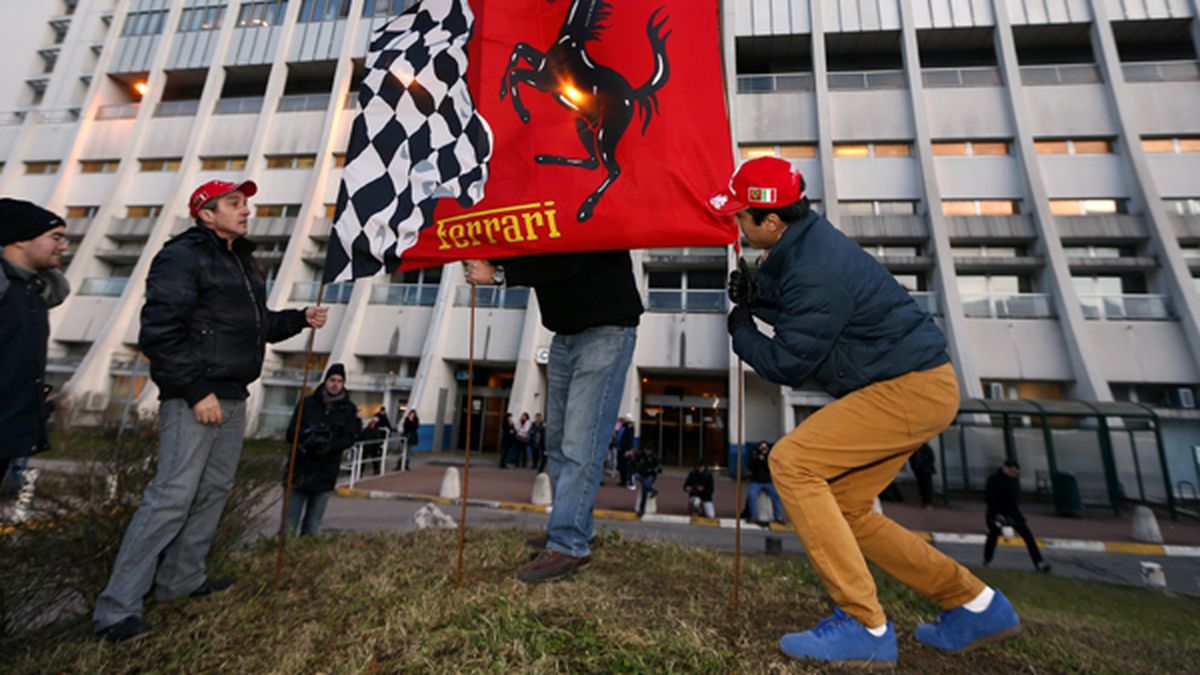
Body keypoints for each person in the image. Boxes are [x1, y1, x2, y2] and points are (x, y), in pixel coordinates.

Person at [712, 157, 1020, 665]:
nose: (736, 224)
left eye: (741, 216)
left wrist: (742, 327)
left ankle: (864, 624)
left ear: (771, 221)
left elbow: (788, 361)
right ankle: (973, 603)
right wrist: (760, 296)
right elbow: (814, 311)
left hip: (909, 389)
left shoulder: (813, 266)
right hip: (916, 384)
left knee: (793, 462)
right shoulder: (804, 245)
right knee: (847, 508)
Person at [93, 179, 328, 643]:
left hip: (233, 394)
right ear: (205, 213)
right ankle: (115, 610)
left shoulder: (244, 262)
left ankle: (181, 580)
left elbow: (257, 326)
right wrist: (196, 390)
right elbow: (160, 330)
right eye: (234, 203)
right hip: (194, 396)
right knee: (171, 497)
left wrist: (299, 318)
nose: (246, 210)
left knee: (214, 490)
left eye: (247, 203)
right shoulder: (182, 256)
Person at [465, 251, 639, 583]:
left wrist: (500, 274)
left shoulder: (586, 205)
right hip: (565, 334)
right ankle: (576, 527)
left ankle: (569, 545)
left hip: (607, 330)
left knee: (580, 441)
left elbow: (569, 256)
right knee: (557, 441)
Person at [0, 199, 68, 487]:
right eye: (55, 237)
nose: (63, 247)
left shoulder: (33, 291)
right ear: (19, 239)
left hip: (9, 427)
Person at [284, 363, 362, 537]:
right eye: (332, 380)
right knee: (289, 523)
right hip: (300, 469)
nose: (335, 384)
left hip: (325, 472)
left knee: (313, 524)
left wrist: (329, 445)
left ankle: (305, 556)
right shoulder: (307, 403)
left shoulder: (348, 409)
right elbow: (291, 433)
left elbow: (349, 438)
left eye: (339, 381)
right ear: (326, 381)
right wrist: (308, 438)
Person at [985, 460, 1050, 573]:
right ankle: (987, 560)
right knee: (993, 536)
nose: (1013, 474)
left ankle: (1039, 562)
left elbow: (1014, 499)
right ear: (1005, 468)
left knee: (1028, 536)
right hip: (997, 514)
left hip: (1013, 514)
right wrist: (997, 514)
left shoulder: (1014, 480)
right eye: (1012, 471)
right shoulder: (994, 480)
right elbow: (991, 499)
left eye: (1015, 472)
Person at [747, 440, 785, 524]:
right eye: (761, 447)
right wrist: (758, 459)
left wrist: (764, 459)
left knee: (776, 496)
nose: (763, 449)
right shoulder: (755, 455)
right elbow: (750, 467)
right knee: (752, 496)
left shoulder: (770, 457)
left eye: (765, 447)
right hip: (756, 481)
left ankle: (778, 516)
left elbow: (771, 468)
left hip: (768, 481)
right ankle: (754, 516)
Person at [633, 445, 661, 516]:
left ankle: (641, 509)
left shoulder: (654, 457)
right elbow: (634, 462)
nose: (647, 452)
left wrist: (654, 470)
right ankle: (652, 490)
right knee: (637, 478)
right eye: (646, 450)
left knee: (645, 489)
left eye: (649, 450)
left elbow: (658, 468)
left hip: (650, 475)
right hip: (642, 474)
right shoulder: (641, 455)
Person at [910, 443, 937, 510]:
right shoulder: (915, 449)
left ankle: (928, 503)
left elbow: (931, 458)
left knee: (927, 486)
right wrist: (914, 468)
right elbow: (911, 459)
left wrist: (927, 467)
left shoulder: (925, 447)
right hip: (919, 470)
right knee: (921, 486)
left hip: (926, 471)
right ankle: (924, 502)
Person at [617, 414, 636, 490]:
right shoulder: (623, 427)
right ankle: (622, 480)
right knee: (621, 465)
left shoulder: (629, 428)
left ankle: (625, 481)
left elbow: (630, 440)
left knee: (625, 465)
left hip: (625, 449)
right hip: (620, 448)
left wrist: (629, 450)